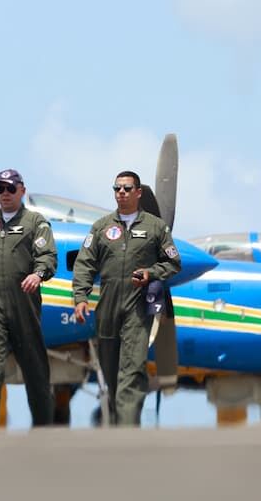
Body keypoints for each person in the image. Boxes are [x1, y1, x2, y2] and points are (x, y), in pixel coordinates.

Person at [72, 170, 182, 425]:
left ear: (138, 192)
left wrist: (151, 272)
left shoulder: (156, 228)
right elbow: (84, 264)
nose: (121, 193)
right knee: (111, 373)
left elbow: (173, 263)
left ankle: (128, 432)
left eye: (127, 189)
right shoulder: (101, 228)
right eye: (117, 189)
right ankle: (119, 419)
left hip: (137, 309)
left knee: (131, 371)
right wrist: (80, 298)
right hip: (107, 308)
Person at [0, 169, 57, 427]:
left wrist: (38, 275)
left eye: (10, 188)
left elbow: (48, 257)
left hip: (24, 307)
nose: (5, 194)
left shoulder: (36, 223)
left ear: (22, 191)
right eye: (0, 189)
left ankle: (44, 431)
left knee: (36, 372)